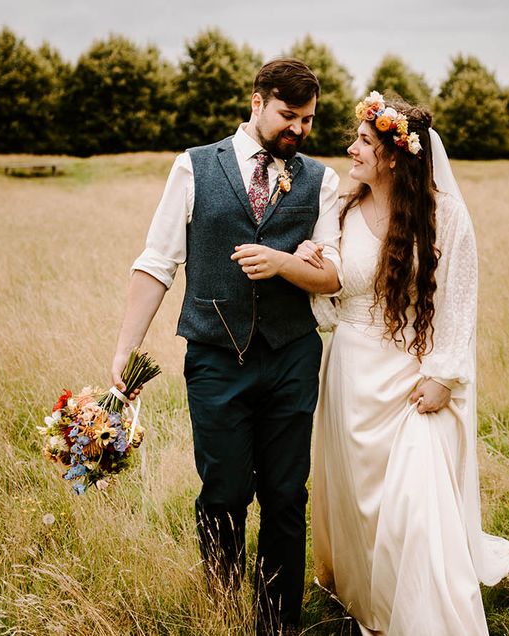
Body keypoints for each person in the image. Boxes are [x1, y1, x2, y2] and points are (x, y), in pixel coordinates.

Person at [304, 92, 509, 635]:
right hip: (350, 374)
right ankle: (370, 590)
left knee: (416, 500)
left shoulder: (447, 217)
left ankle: (426, 613)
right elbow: (329, 299)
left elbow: (461, 302)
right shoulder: (340, 210)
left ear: (393, 154)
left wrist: (443, 375)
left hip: (415, 377)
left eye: (363, 141)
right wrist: (309, 262)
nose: (351, 149)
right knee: (363, 501)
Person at [110, 58, 342, 635]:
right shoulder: (192, 169)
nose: (299, 130)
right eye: (289, 116)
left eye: (308, 120)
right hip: (215, 358)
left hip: (292, 355)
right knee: (223, 493)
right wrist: (124, 352)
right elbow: (157, 263)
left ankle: (277, 622)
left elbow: (334, 274)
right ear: (257, 101)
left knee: (287, 496)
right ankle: (224, 611)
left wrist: (288, 264)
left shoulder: (323, 181)